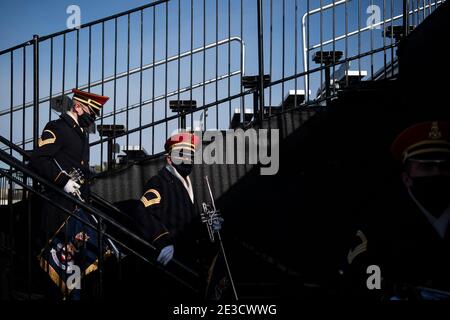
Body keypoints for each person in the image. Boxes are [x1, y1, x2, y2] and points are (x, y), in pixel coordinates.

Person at [341, 120, 450, 300]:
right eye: (426, 167)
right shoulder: (380, 223)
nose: (437, 173)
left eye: (444, 167)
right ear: (406, 178)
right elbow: (359, 275)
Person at [30, 89, 109, 299]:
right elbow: (38, 160)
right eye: (91, 112)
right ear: (77, 106)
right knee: (60, 273)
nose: (92, 118)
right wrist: (63, 181)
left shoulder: (80, 133)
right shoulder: (58, 128)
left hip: (74, 209)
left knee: (74, 274)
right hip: (58, 210)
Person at [122, 132, 222, 298]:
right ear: (169, 159)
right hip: (171, 264)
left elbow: (186, 224)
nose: (187, 159)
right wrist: (162, 241)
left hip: (189, 264)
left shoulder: (187, 185)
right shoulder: (160, 181)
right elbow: (142, 211)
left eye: (190, 155)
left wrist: (210, 226)